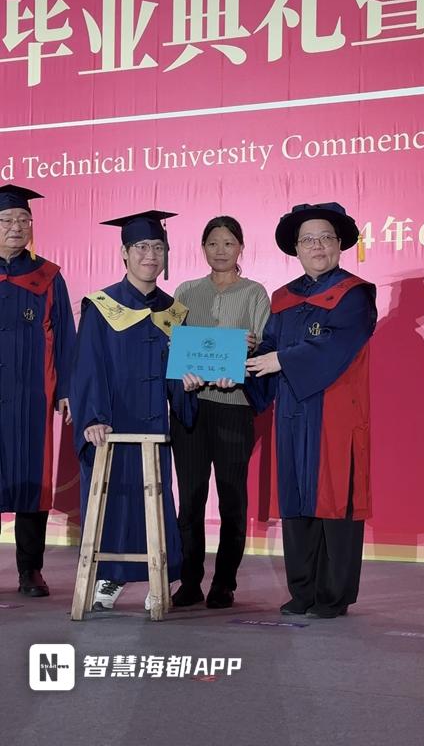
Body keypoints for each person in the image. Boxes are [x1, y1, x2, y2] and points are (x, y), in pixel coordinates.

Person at [246, 203, 377, 618]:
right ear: (296, 249)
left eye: (325, 238)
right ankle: (302, 591)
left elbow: (335, 345)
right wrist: (242, 363)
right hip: (292, 414)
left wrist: (281, 360)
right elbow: (270, 346)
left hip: (334, 414)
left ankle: (332, 596)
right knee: (296, 499)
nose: (317, 246)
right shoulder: (283, 298)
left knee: (333, 500)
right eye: (308, 240)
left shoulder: (355, 295)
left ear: (339, 244)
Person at [70, 210, 201, 611]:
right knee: (114, 498)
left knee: (154, 500)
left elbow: (176, 375)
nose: (150, 255)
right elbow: (88, 364)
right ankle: (109, 576)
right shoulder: (102, 305)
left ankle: (157, 578)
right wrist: (93, 417)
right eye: (141, 247)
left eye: (158, 247)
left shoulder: (174, 312)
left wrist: (187, 385)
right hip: (113, 423)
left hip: (154, 425)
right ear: (124, 253)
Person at [170, 215, 271, 609]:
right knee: (190, 499)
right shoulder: (186, 291)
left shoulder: (255, 293)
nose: (221, 250)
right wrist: (182, 369)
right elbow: (174, 345)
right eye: (213, 243)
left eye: (229, 243)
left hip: (234, 406)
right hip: (192, 408)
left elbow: (265, 347)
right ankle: (189, 581)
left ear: (241, 247)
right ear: (203, 248)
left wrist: (250, 348)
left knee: (232, 499)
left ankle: (224, 583)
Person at [0, 184, 75, 597]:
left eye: (23, 220)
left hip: (32, 395)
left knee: (32, 479)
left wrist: (66, 388)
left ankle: (30, 570)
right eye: (7, 220)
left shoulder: (47, 276)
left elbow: (65, 335)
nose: (16, 226)